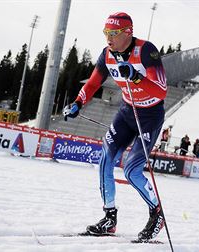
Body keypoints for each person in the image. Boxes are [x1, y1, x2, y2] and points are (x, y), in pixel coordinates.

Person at [62, 12, 167, 241]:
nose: (108, 38)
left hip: (149, 116)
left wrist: (137, 77)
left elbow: (161, 90)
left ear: (128, 32)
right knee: (105, 160)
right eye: (106, 33)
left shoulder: (146, 50)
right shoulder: (107, 54)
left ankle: (156, 213)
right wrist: (78, 103)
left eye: (114, 33)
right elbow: (92, 83)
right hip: (127, 112)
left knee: (131, 170)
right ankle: (109, 218)